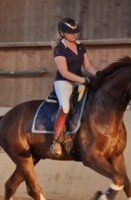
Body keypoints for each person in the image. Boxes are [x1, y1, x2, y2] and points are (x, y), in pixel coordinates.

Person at [50, 17, 98, 155]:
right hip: (63, 82)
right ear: (62, 33)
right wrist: (84, 80)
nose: (74, 34)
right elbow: (64, 73)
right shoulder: (59, 49)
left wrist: (98, 73)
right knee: (65, 107)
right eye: (70, 32)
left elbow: (87, 66)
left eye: (75, 32)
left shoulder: (80, 46)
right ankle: (56, 142)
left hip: (79, 80)